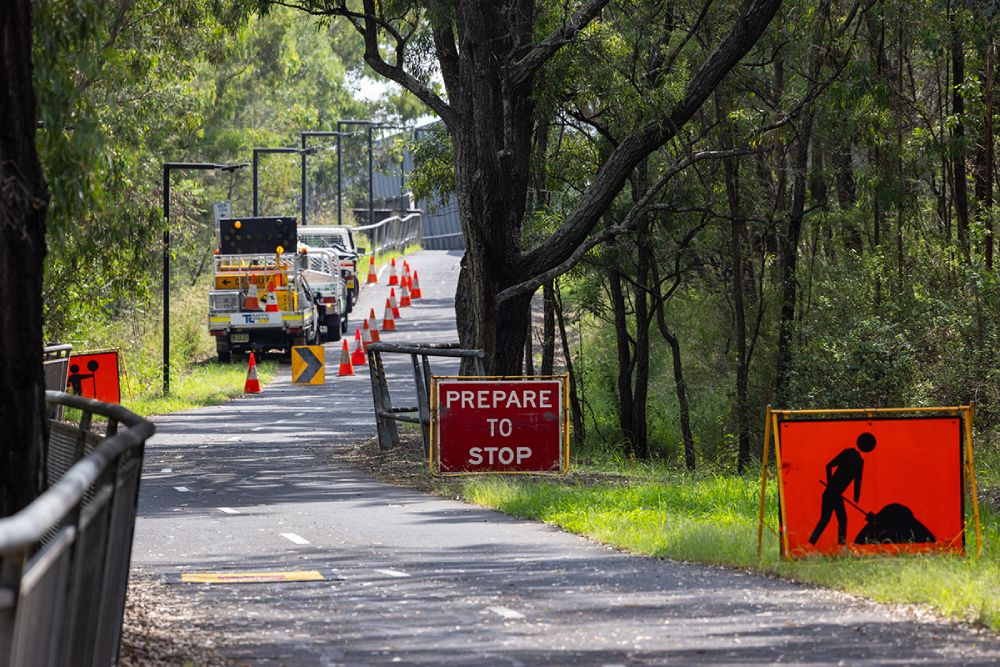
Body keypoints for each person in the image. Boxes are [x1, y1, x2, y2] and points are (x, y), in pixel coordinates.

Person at [808, 432, 876, 545]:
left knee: (840, 520)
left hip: (836, 494)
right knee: (827, 519)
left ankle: (838, 545)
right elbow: (828, 466)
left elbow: (857, 482)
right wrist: (831, 485)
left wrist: (856, 498)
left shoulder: (859, 461)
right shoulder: (848, 453)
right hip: (830, 493)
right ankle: (813, 542)